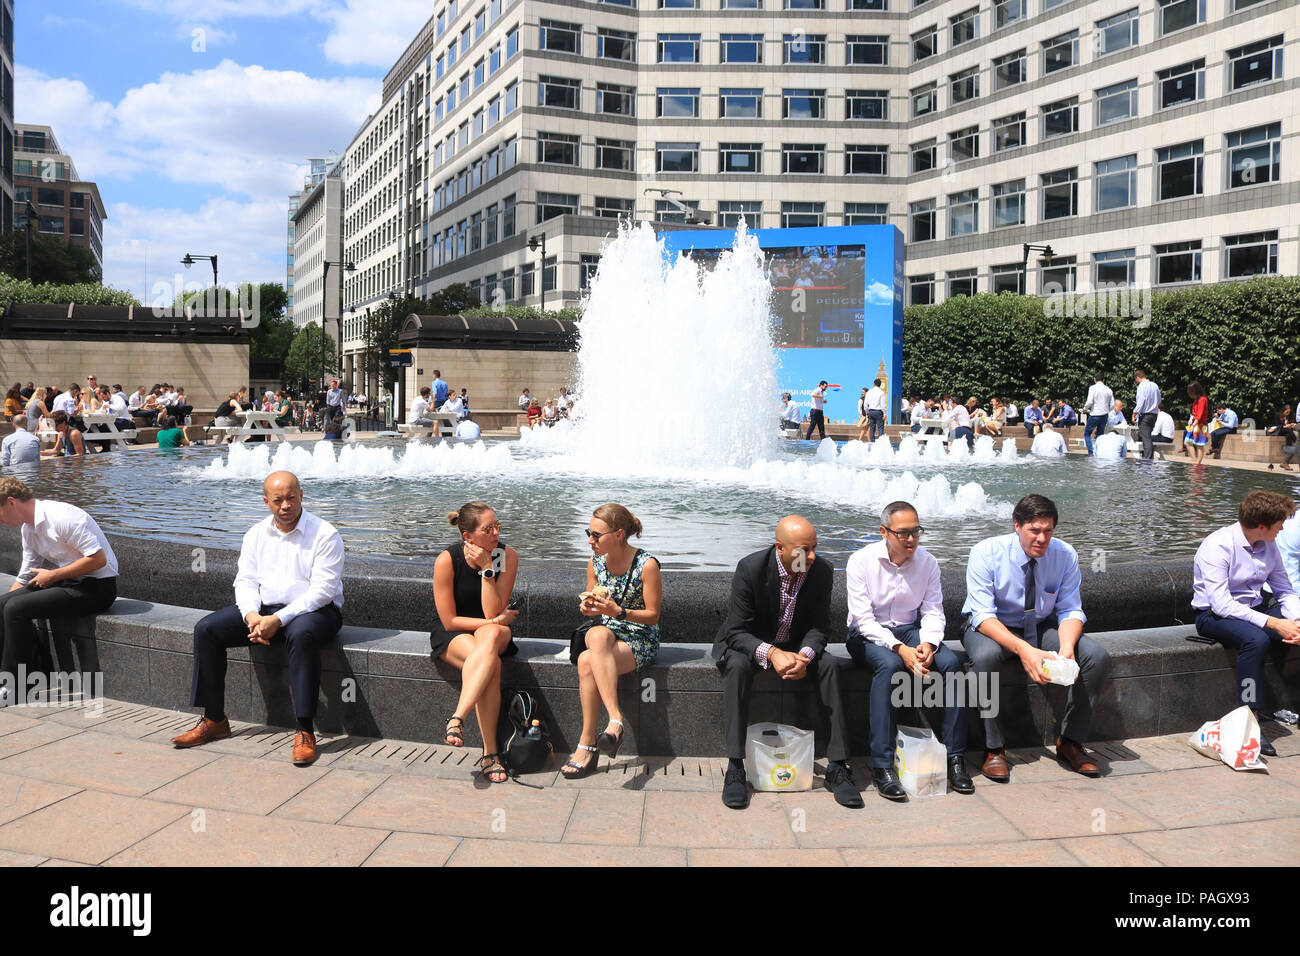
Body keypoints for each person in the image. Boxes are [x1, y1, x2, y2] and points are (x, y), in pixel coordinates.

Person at [172, 471, 344, 766]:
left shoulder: (325, 533)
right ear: (267, 502)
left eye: (291, 497)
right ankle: (214, 720)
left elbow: (323, 591)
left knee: (301, 634)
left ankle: (304, 730)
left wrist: (277, 619)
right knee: (207, 630)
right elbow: (246, 582)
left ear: (301, 496)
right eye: (278, 500)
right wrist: (253, 616)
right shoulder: (255, 534)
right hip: (264, 610)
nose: (286, 505)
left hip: (316, 611)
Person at [713, 516, 862, 810]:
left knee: (831, 666)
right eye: (804, 550)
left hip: (795, 646)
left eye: (814, 548)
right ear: (780, 547)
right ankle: (735, 767)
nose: (811, 556)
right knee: (738, 668)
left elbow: (820, 627)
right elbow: (736, 631)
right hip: (751, 643)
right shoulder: (751, 568)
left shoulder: (820, 570)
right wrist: (771, 653)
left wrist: (805, 655)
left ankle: (837, 767)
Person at [962, 494, 1113, 782]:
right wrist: (1023, 651)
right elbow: (981, 615)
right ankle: (993, 747)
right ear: (1017, 525)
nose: (1042, 539)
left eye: (1048, 531)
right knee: (984, 658)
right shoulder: (985, 552)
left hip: (1039, 626)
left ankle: (1070, 741)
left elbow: (1070, 609)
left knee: (1094, 656)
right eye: (1034, 530)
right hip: (991, 626)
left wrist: (1067, 648)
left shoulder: (1064, 554)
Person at [845, 501, 973, 800]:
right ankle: (882, 767)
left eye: (916, 531)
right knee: (889, 666)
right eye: (903, 533)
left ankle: (954, 758)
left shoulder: (927, 562)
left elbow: (933, 611)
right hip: (866, 633)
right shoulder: (860, 561)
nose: (911, 539)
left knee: (951, 663)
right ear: (884, 532)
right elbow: (862, 619)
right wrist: (899, 649)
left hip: (910, 629)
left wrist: (927, 643)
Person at [1192, 491, 1300, 758]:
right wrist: (1275, 622)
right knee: (1256, 640)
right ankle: (1249, 718)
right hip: (1213, 616)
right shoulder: (1217, 546)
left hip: (1255, 607)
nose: (1283, 528)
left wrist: (1296, 621)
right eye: (1279, 524)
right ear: (1262, 526)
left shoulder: (1268, 544)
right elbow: (1221, 604)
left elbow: (1284, 589)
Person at [562, 504, 662, 779]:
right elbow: (595, 605)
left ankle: (586, 744)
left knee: (586, 660)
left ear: (618, 534)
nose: (590, 541)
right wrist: (590, 608)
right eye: (588, 533)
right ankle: (614, 720)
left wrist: (618, 612)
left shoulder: (647, 564)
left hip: (639, 638)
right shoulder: (595, 563)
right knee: (596, 635)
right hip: (606, 636)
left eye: (596, 535)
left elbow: (653, 616)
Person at [431, 502, 520, 785]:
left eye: (498, 526)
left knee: (490, 640)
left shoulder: (505, 555)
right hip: (455, 634)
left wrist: (486, 568)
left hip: (493, 632)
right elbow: (449, 621)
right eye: (488, 529)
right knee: (489, 662)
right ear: (468, 537)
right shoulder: (447, 560)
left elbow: (491, 612)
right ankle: (491, 753)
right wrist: (494, 623)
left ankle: (458, 717)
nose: (496, 533)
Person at [0, 479, 119, 687]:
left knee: (15, 608)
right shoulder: (28, 529)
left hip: (98, 586)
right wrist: (6, 600)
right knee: (5, 604)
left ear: (11, 502)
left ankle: (14, 686)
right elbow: (25, 575)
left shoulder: (63, 517)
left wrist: (53, 575)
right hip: (67, 582)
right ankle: (31, 674)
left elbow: (99, 559)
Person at [1132, 369, 1162, 460]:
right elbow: (1159, 399)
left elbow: (1140, 401)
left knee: (1146, 438)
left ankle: (1147, 459)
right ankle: (1148, 456)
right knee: (1148, 436)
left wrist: (1135, 413)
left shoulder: (1142, 386)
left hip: (1145, 415)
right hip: (1154, 414)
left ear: (1137, 377)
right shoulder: (1155, 385)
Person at [1081, 376, 1114, 456]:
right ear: (1103, 380)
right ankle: (1098, 452)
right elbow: (1112, 404)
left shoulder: (1093, 388)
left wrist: (1085, 408)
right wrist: (1107, 410)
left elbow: (1089, 401)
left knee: (1087, 433)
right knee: (1100, 435)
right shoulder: (1109, 389)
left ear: (1095, 380)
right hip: (1104, 415)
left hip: (1095, 414)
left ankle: (1091, 452)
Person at [1185, 381, 1210, 464]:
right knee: (1187, 442)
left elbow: (1199, 415)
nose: (1189, 394)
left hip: (1201, 425)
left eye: (1190, 392)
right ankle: (1195, 461)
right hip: (1195, 423)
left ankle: (1197, 463)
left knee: (1199, 445)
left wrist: (1193, 426)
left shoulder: (1202, 400)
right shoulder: (1197, 399)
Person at [1266, 404, 1297, 471]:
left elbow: (1291, 426)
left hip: (1286, 431)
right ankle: (1296, 441)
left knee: (1289, 435)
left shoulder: (1290, 416)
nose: (1288, 414)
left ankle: (1285, 463)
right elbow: (1278, 426)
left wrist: (1290, 425)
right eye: (1287, 412)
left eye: (1289, 412)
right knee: (1289, 432)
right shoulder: (1278, 415)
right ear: (1283, 411)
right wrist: (1287, 426)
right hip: (1278, 430)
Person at [864, 378, 887, 442]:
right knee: (880, 428)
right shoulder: (881, 392)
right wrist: (885, 413)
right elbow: (883, 405)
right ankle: (881, 442)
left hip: (871, 411)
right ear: (880, 385)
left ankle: (872, 442)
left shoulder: (869, 392)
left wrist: (867, 412)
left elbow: (865, 403)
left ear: (874, 384)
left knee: (872, 428)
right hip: (878, 412)